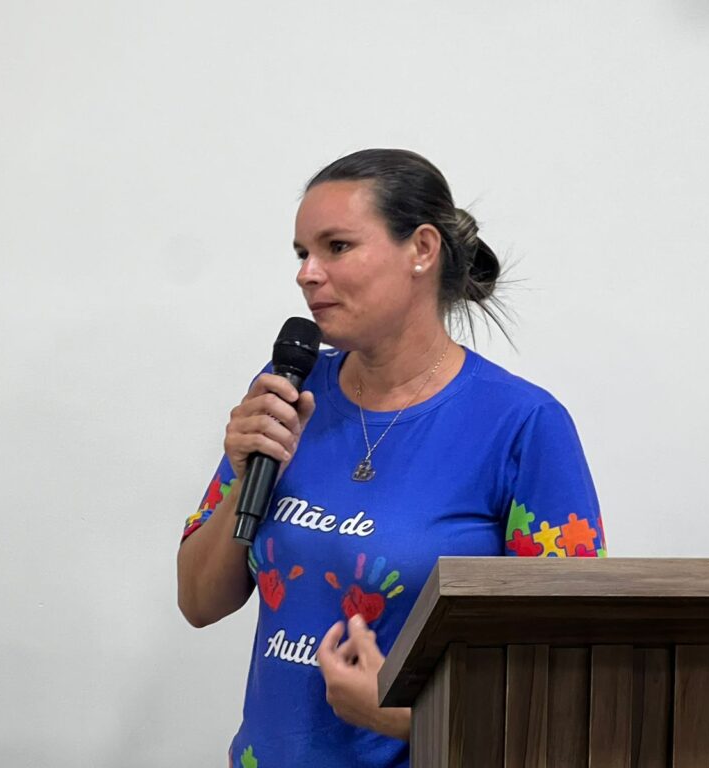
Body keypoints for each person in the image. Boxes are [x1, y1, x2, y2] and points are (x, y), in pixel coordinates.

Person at [176, 148, 605, 768]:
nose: (307, 274)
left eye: (337, 247)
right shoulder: (288, 390)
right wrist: (246, 478)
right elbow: (199, 603)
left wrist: (398, 716)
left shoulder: (522, 426)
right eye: (302, 253)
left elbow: (571, 684)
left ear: (422, 249)